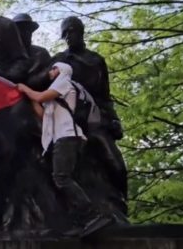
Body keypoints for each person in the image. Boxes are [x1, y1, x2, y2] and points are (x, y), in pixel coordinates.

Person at [17, 62, 112, 235]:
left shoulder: (64, 81)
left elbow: (40, 97)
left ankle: (92, 214)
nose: (50, 71)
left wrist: (25, 89)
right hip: (63, 138)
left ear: (61, 70)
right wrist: (28, 97)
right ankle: (80, 221)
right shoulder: (56, 91)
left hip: (67, 136)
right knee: (63, 178)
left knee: (61, 177)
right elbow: (42, 114)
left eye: (53, 68)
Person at [52, 16, 127, 199]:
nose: (68, 36)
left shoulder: (96, 60)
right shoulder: (59, 60)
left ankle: (121, 202)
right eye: (65, 33)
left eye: (72, 31)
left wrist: (114, 119)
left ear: (81, 31)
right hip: (68, 122)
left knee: (116, 164)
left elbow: (105, 96)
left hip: (94, 120)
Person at [12, 13, 51, 90]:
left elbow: (51, 78)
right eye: (21, 29)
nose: (26, 32)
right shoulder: (7, 54)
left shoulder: (42, 53)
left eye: (29, 29)